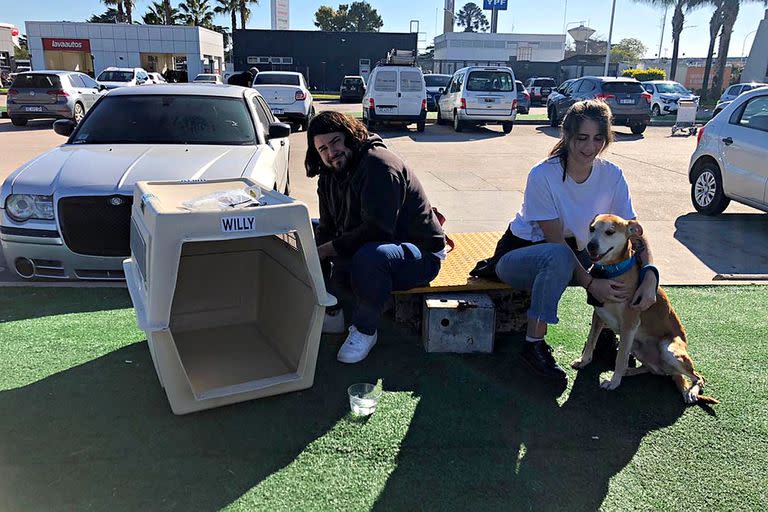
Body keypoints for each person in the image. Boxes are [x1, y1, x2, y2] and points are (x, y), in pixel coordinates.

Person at [493, 100, 658, 383]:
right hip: (520, 256)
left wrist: (650, 275)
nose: (590, 147)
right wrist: (593, 284)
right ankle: (533, 344)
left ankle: (606, 336)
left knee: (618, 261)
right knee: (560, 258)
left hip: (574, 252)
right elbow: (556, 245)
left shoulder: (612, 175)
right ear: (566, 135)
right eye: (582, 138)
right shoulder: (543, 175)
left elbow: (633, 233)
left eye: (598, 139)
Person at [306, 111, 447, 364]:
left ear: (350, 135)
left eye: (336, 141)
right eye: (323, 148)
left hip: (419, 253)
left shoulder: (379, 165)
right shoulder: (328, 175)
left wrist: (327, 250)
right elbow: (327, 227)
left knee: (371, 257)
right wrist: (315, 249)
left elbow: (378, 230)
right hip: (371, 246)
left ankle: (365, 330)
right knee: (312, 239)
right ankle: (334, 312)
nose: (331, 152)